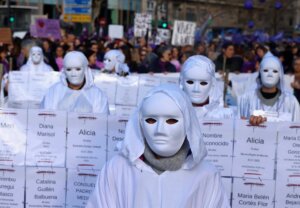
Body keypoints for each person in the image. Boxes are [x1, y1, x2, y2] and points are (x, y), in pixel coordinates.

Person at [86, 84, 229, 208]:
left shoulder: (206, 174)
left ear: (187, 123)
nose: (160, 130)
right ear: (140, 123)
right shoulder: (118, 168)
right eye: (151, 120)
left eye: (171, 120)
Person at [238, 52, 300, 124]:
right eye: (266, 70)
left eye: (275, 71)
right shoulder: (246, 99)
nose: (270, 74)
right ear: (260, 72)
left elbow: (296, 130)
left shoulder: (291, 101)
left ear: (280, 74)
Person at [41, 51, 109, 114]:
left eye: (78, 69)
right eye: (69, 69)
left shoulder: (97, 94)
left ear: (85, 69)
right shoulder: (54, 91)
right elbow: (47, 117)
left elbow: (101, 120)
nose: (73, 74)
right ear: (64, 71)